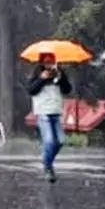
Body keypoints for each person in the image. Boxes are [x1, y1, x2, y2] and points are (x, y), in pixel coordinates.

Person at [28, 52, 72, 182]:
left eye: (51, 61)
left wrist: (61, 78)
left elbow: (67, 89)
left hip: (56, 111)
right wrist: (42, 79)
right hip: (43, 112)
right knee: (49, 141)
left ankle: (47, 161)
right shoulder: (37, 75)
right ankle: (47, 167)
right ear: (42, 62)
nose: (49, 64)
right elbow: (31, 90)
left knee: (60, 141)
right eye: (46, 62)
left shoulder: (59, 74)